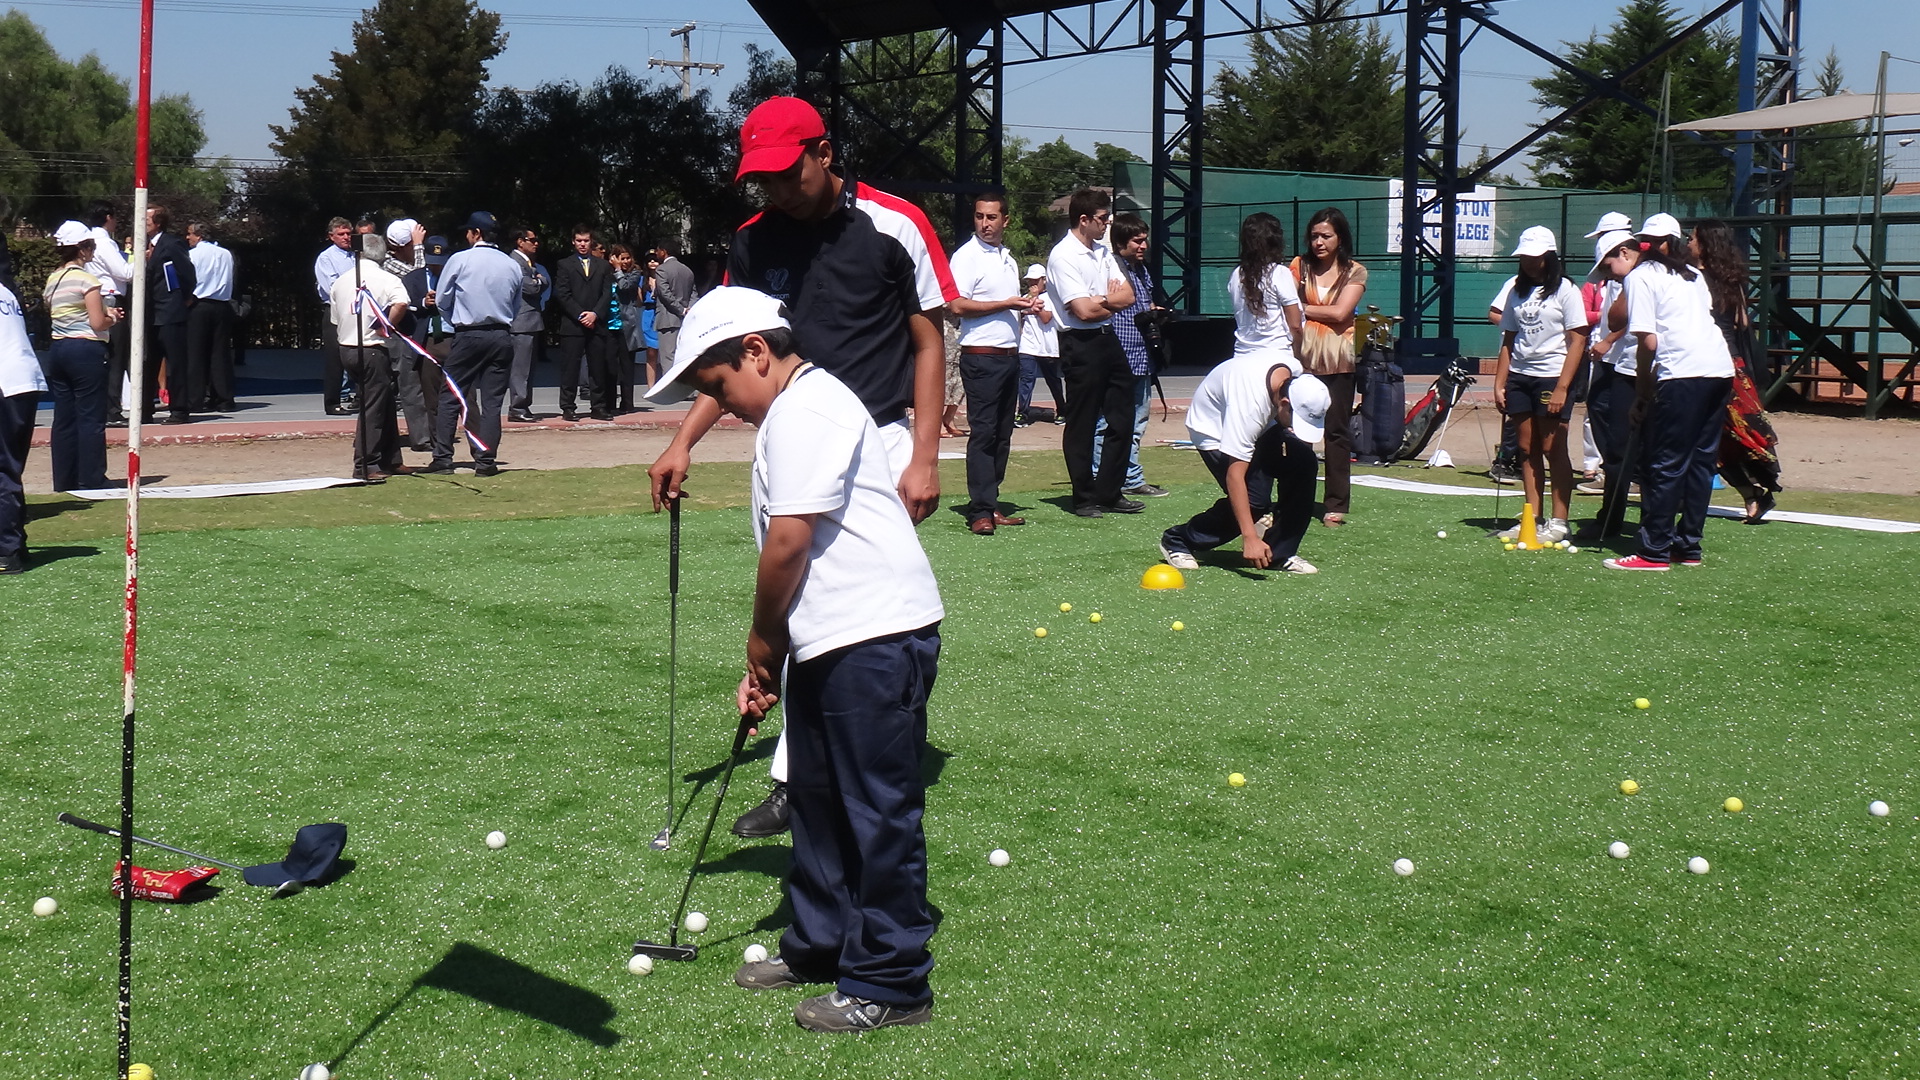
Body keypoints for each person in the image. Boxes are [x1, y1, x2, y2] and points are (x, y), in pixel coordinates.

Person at [648, 96, 954, 842]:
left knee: (862, 608)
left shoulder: (895, 223)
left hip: (878, 440)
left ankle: (845, 759)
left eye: (788, 173)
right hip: (789, 429)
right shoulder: (754, 239)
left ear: (823, 153)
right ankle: (803, 771)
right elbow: (731, 356)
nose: (777, 191)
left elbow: (927, 342)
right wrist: (683, 438)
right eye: (763, 180)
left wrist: (922, 456)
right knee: (797, 603)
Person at [645, 287, 943, 1033]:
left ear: (755, 352)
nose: (723, 405)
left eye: (718, 388)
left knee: (877, 815)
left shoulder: (807, 408)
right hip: (832, 636)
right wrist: (776, 661)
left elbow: (790, 540)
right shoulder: (793, 409)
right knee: (815, 798)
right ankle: (820, 943)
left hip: (874, 635)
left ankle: (892, 982)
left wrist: (762, 642)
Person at [1604, 213, 1735, 571]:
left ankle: (1653, 551)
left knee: (1665, 463)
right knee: (1700, 461)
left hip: (1682, 374)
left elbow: (1648, 339)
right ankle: (1687, 546)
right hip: (1718, 370)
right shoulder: (1692, 276)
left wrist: (1643, 390)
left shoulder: (1642, 277)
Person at [1159, 350, 1330, 577]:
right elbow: (1234, 476)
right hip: (1213, 429)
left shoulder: (1295, 374)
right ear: (1285, 403)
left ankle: (1279, 553)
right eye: (1297, 420)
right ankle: (1178, 540)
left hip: (1264, 424)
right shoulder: (1250, 409)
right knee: (1253, 502)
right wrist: (1249, 537)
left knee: (1304, 463)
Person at [1491, 226, 1589, 546]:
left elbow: (1577, 340)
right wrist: (1499, 382)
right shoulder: (1515, 291)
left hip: (1551, 375)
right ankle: (1532, 517)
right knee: (1526, 448)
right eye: (1524, 257)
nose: (1529, 263)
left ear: (1548, 257)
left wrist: (1562, 387)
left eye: (1534, 257)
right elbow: (1508, 338)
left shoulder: (1566, 291)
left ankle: (1560, 521)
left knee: (1552, 448)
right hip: (1520, 377)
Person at [1046, 188, 1139, 517]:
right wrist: (1105, 300)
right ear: (1083, 220)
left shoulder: (1102, 252)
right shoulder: (1063, 256)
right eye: (1102, 220)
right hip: (1079, 343)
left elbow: (1128, 296)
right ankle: (1083, 496)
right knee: (1082, 422)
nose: (1107, 225)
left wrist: (1098, 301)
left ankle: (1110, 492)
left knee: (1123, 415)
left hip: (1107, 338)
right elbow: (1081, 311)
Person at [946, 190, 1033, 534]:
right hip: (981, 356)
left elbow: (1004, 304)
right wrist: (1006, 303)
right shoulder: (966, 256)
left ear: (1005, 220)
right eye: (980, 216)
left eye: (992, 217)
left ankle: (991, 502)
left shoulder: (1007, 259)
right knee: (983, 433)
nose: (985, 223)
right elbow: (956, 305)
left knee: (1002, 433)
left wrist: (1025, 305)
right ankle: (980, 510)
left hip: (1010, 354)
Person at [1691, 220, 1782, 523]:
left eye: (1692, 239)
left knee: (1718, 436)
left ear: (1704, 244)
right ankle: (1752, 495)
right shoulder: (1731, 280)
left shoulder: (1693, 280)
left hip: (1711, 364)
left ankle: (1751, 494)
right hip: (1733, 365)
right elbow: (1743, 323)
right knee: (1726, 437)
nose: (1688, 244)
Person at [428, 212, 522, 477]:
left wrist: (457, 320)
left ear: (476, 233)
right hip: (501, 334)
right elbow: (515, 304)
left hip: (469, 333)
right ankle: (486, 460)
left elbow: (442, 299)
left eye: (469, 231)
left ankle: (443, 457)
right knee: (492, 402)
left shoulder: (460, 259)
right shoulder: (510, 264)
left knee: (451, 396)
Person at [1289, 207, 1367, 525]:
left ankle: (1336, 503)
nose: (1319, 242)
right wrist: (1311, 310)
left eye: (1326, 236)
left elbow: (1341, 314)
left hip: (1339, 361)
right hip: (1300, 361)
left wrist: (1300, 307)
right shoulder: (1297, 266)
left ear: (1340, 238)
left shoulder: (1355, 271)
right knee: (1296, 434)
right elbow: (1284, 306)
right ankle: (1294, 498)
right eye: (1314, 236)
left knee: (1336, 431)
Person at [329, 233, 411, 482]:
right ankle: (365, 463)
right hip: (373, 347)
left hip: (347, 347)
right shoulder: (387, 278)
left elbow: (335, 319)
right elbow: (402, 303)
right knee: (373, 406)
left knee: (383, 402)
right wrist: (385, 325)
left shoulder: (341, 281)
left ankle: (391, 458)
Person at [41, 222, 116, 492]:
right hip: (86, 350)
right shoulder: (87, 280)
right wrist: (112, 318)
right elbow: (97, 322)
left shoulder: (53, 279)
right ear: (82, 249)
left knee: (64, 417)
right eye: (91, 246)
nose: (93, 251)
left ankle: (64, 479)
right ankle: (92, 477)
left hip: (59, 350)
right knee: (90, 416)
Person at [1097, 212, 1167, 498]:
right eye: (1137, 241)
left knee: (1137, 421)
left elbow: (1143, 303)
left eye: (1145, 239)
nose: (1144, 245)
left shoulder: (1141, 270)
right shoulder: (1109, 268)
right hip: (1120, 353)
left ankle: (1129, 476)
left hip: (1142, 354)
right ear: (1121, 242)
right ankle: (1103, 476)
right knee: (1109, 422)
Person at [1582, 227, 1645, 538]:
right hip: (1622, 367)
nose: (1607, 272)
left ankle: (1636, 521)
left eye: (1608, 264)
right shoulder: (1624, 280)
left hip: (1638, 369)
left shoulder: (1639, 278)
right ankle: (1613, 515)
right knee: (1614, 443)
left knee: (1634, 450)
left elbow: (1625, 320)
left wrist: (1608, 339)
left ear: (1624, 251)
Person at [0, 278, 45, 574]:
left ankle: (7, 550)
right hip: (23, 379)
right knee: (9, 467)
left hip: (6, 381)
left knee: (3, 468)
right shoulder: (5, 291)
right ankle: (14, 542)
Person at [554, 225, 616, 421]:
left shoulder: (603, 266)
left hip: (597, 323)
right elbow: (562, 294)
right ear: (573, 242)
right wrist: (581, 314)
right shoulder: (564, 265)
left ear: (591, 242)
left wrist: (595, 314)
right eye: (579, 240)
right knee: (570, 367)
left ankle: (598, 406)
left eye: (586, 240)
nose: (582, 244)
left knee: (598, 367)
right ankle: (568, 407)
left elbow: (607, 294)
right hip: (573, 324)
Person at [81, 201, 133, 426]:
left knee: (102, 354)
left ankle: (103, 405)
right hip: (111, 298)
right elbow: (124, 273)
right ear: (108, 218)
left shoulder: (87, 241)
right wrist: (141, 259)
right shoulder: (105, 243)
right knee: (116, 356)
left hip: (94, 298)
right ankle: (112, 409)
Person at [144, 204, 196, 424]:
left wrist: (182, 298)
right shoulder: (141, 245)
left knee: (175, 362)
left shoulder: (172, 244)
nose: (141, 225)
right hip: (149, 313)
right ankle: (145, 409)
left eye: (146, 221)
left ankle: (180, 409)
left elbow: (187, 274)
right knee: (147, 363)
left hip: (170, 311)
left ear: (158, 223)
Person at [184, 221, 237, 413]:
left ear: (199, 236)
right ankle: (224, 398)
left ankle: (195, 400)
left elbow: (190, 279)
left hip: (199, 304)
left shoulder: (193, 254)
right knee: (220, 354)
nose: (188, 238)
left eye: (190, 234)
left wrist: (187, 301)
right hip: (222, 305)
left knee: (195, 354)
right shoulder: (225, 254)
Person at [313, 217, 357, 416]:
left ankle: (360, 397)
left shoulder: (357, 255)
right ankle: (333, 402)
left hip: (357, 310)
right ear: (331, 236)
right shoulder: (326, 258)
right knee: (335, 358)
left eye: (348, 233)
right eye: (341, 234)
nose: (346, 237)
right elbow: (331, 287)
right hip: (336, 310)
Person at [506, 228, 549, 424]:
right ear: (520, 241)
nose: (536, 243)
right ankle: (517, 406)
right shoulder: (515, 262)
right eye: (532, 240)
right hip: (521, 322)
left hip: (530, 321)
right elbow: (530, 287)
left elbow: (540, 282)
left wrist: (540, 280)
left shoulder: (527, 263)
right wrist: (540, 280)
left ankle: (523, 405)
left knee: (529, 368)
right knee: (520, 368)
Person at [1014, 264, 1063, 426]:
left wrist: (1034, 304)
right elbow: (1019, 316)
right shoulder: (1025, 297)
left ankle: (1062, 410)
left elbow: (1046, 318)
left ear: (1044, 280)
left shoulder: (1052, 298)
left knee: (1052, 380)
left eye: (1036, 281)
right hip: (1028, 345)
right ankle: (1023, 412)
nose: (1032, 285)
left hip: (1047, 346)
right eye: (1030, 281)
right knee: (1026, 378)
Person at [652, 243, 695, 386]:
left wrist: (680, 309)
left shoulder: (662, 269)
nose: (656, 254)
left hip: (668, 318)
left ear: (664, 251)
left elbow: (665, 293)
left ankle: (671, 386)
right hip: (685, 319)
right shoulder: (687, 270)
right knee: (683, 354)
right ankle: (686, 385)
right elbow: (694, 293)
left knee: (668, 355)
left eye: (657, 250)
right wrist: (689, 309)